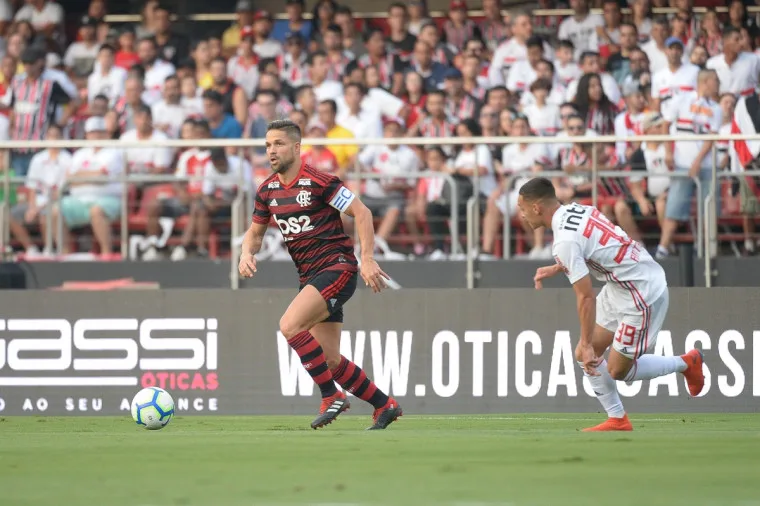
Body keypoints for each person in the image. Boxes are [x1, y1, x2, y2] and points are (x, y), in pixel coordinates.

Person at [238, 119, 402, 431]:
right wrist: (247, 253)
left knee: (289, 325)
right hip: (310, 277)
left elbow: (362, 212)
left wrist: (367, 260)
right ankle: (385, 405)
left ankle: (331, 397)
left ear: (297, 147)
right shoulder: (268, 190)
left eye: (279, 144)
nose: (272, 151)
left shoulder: (320, 182)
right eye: (268, 145)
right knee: (329, 361)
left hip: (337, 267)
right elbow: (255, 233)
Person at [517, 177, 705, 432]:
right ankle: (617, 419)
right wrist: (560, 266)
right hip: (622, 284)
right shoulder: (575, 209)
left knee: (616, 369)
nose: (522, 215)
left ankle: (687, 363)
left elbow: (585, 297)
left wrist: (585, 342)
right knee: (586, 355)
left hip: (642, 291)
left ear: (537, 207)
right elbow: (596, 244)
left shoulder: (564, 241)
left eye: (523, 208)